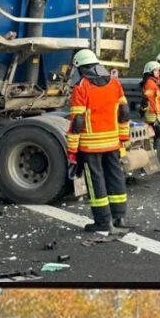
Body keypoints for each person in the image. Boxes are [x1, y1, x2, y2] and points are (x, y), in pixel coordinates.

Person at [66, 49, 131, 233]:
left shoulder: (81, 86)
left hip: (90, 145)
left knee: (96, 181)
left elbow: (77, 121)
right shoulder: (114, 83)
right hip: (112, 142)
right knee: (115, 176)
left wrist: (72, 150)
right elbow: (124, 112)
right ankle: (119, 217)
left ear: (80, 67)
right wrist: (123, 138)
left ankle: (103, 221)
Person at [139, 60, 160, 149]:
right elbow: (147, 98)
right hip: (151, 113)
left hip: (154, 113)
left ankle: (152, 152)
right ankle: (151, 153)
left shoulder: (154, 82)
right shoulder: (150, 83)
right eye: (156, 70)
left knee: (155, 135)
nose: (158, 72)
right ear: (150, 71)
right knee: (152, 134)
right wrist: (144, 109)